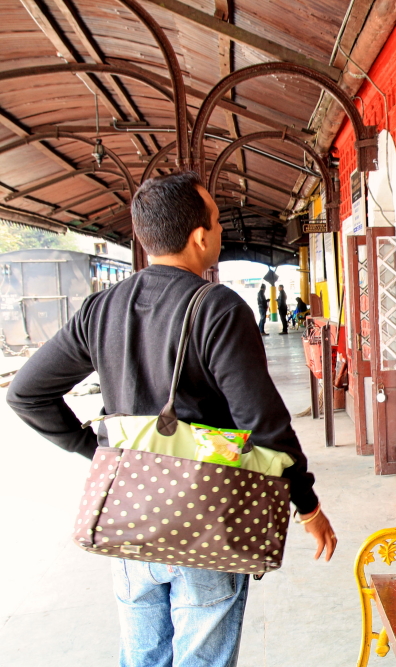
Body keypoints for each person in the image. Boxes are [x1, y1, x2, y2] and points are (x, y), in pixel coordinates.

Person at [6, 171, 337, 667]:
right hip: (207, 513)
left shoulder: (100, 308)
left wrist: (97, 453)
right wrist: (306, 505)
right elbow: (263, 421)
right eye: (218, 222)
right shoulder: (217, 308)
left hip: (130, 513)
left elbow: (27, 393)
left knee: (142, 658)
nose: (221, 232)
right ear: (200, 236)